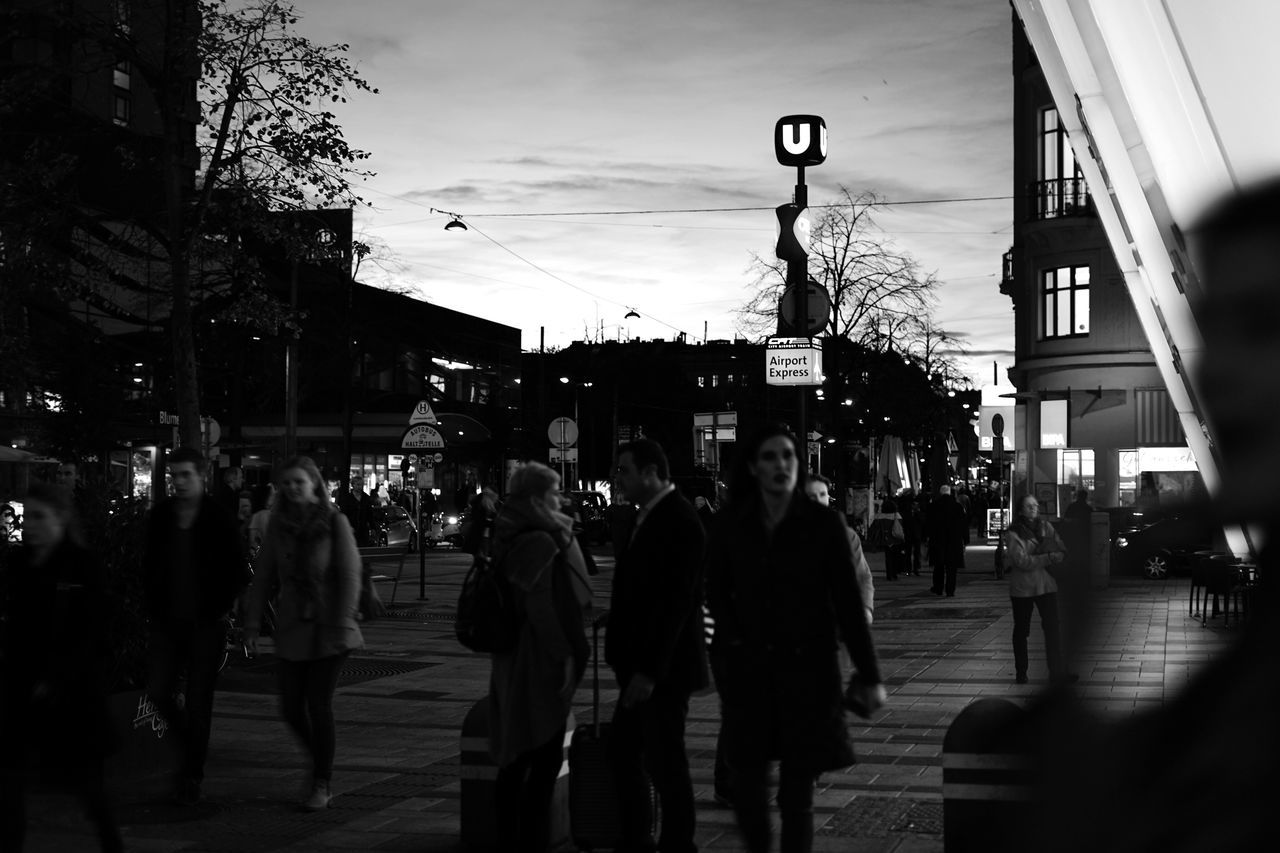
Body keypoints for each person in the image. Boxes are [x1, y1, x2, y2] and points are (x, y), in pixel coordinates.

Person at [706, 424, 885, 853]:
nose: (781, 465)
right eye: (769, 457)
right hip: (748, 674)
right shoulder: (731, 525)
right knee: (747, 791)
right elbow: (716, 597)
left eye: (788, 456)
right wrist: (726, 662)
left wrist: (869, 672)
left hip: (809, 675)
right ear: (752, 467)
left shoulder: (823, 524)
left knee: (798, 797)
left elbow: (847, 601)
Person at [0, 483, 122, 853]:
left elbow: (94, 630)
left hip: (70, 692)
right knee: (9, 778)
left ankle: (110, 841)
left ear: (61, 519)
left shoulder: (81, 565)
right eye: (28, 516)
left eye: (40, 517)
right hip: (22, 684)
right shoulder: (21, 563)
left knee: (86, 782)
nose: (31, 525)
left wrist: (60, 676)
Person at [242, 456, 363, 811]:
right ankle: (319, 762)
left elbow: (350, 574)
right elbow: (263, 577)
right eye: (286, 483)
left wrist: (341, 619)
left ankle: (321, 781)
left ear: (314, 484)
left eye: (299, 482)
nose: (293, 488)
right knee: (291, 706)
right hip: (294, 625)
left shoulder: (334, 521)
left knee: (317, 703)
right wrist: (251, 626)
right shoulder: (278, 525)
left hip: (330, 626)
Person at [607, 438, 707, 853]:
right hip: (642, 665)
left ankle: (675, 843)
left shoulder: (679, 520)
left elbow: (676, 604)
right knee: (627, 751)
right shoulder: (644, 515)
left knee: (665, 762)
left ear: (650, 472)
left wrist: (649, 670)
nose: (618, 479)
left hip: (662, 670)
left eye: (624, 471)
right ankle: (638, 837)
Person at [487, 462, 592, 852]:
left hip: (516, 658)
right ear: (536, 498)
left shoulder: (513, 530)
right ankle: (526, 840)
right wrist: (564, 655)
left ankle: (511, 838)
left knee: (519, 754)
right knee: (540, 755)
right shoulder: (537, 542)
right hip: (535, 661)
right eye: (555, 492)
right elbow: (543, 607)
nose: (562, 498)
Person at [142, 447, 248, 806]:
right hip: (167, 620)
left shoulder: (217, 518)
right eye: (174, 476)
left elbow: (235, 565)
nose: (179, 482)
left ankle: (191, 773)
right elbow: (148, 562)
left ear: (202, 475)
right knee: (158, 691)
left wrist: (221, 606)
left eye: (186, 475)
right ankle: (188, 749)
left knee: (200, 700)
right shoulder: (162, 517)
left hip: (204, 622)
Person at [1002, 494, 1073, 685]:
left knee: (1052, 629)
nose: (1033, 508)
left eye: (1035, 505)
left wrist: (1052, 555)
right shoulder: (1013, 533)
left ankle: (1056, 671)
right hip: (1023, 589)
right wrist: (1047, 558)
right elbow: (1021, 561)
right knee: (1022, 631)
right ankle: (1021, 671)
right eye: (1028, 506)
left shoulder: (1046, 527)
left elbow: (1061, 549)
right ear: (1020, 510)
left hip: (1046, 586)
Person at [804, 475, 874, 622]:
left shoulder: (847, 536)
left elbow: (862, 575)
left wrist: (866, 608)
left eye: (822, 494)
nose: (818, 500)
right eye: (811, 496)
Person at [927, 485, 968, 597]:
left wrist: (927, 537)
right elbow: (963, 525)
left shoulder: (934, 506)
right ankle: (950, 589)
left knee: (938, 566)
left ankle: (938, 588)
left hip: (938, 540)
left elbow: (928, 524)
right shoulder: (957, 507)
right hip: (954, 541)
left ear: (940, 493)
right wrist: (965, 539)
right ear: (950, 493)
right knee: (952, 568)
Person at [337, 475, 376, 547]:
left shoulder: (366, 498)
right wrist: (348, 526)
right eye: (358, 484)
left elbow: (370, 514)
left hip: (363, 530)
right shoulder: (347, 499)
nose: (360, 487)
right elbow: (344, 514)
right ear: (353, 485)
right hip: (351, 530)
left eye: (361, 485)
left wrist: (373, 527)